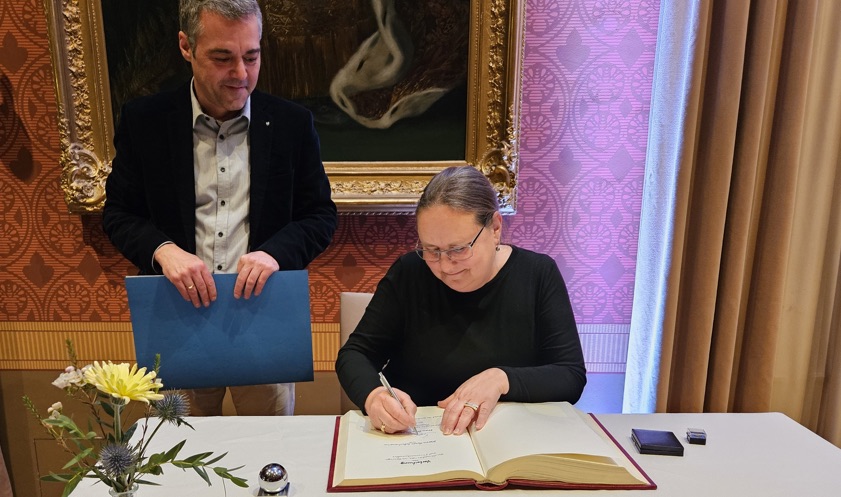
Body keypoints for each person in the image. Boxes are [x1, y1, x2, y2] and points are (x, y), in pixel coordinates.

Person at [103, 0, 337, 416]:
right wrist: (163, 250)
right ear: (186, 47)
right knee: (180, 451)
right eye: (223, 58)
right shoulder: (145, 121)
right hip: (176, 321)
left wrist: (275, 254)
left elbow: (320, 215)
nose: (241, 74)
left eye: (252, 56)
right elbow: (119, 214)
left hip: (263, 319)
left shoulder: (292, 123)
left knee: (268, 450)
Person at [336, 166, 586, 436]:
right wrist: (374, 396)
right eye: (431, 250)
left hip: (505, 438)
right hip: (415, 436)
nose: (445, 266)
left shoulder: (537, 274)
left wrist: (502, 379)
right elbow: (355, 354)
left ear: (495, 228)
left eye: (458, 249)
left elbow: (570, 375)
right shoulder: (409, 273)